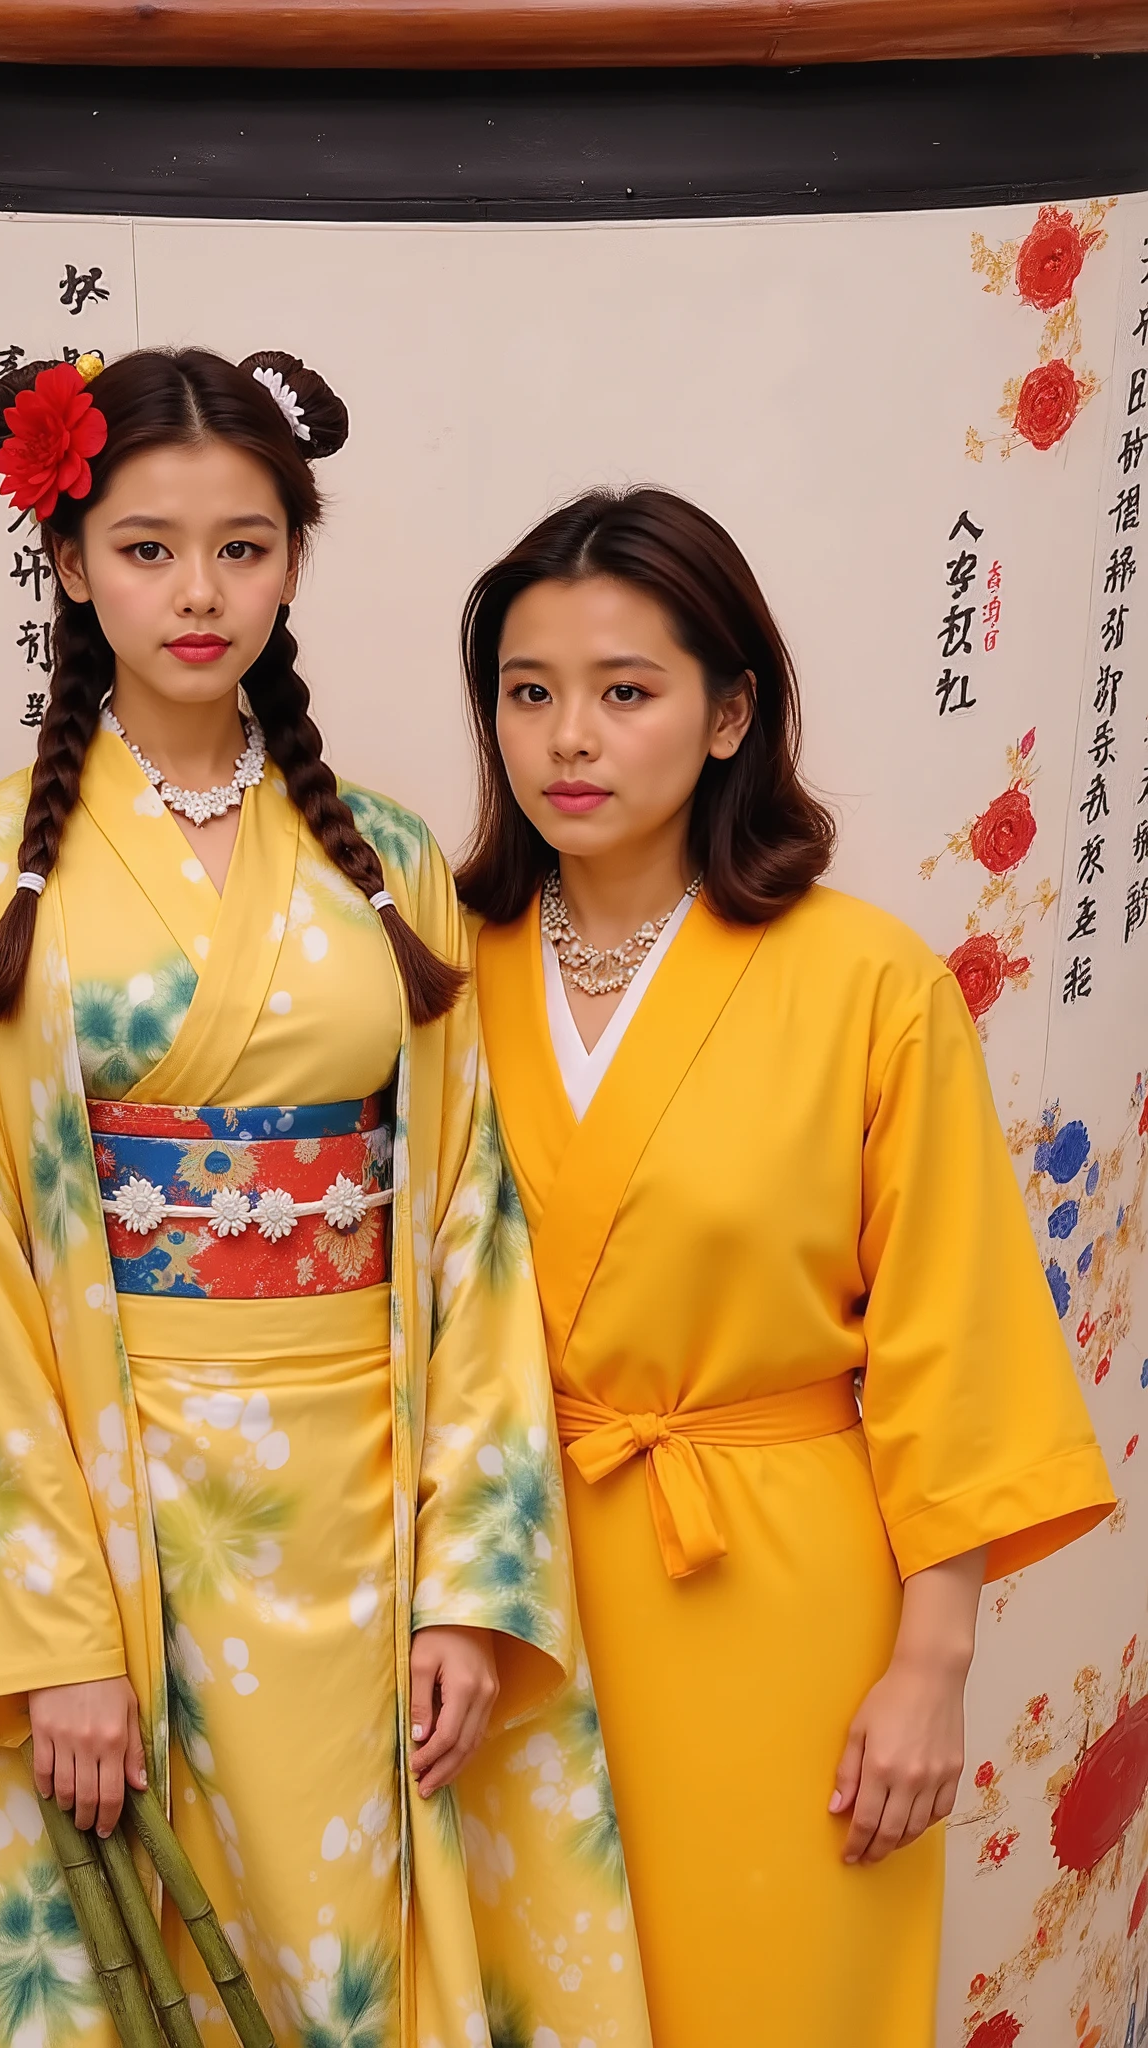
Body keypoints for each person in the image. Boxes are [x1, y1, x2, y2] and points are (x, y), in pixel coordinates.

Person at [0, 349, 651, 2048]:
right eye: (147, 549)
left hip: (359, 1518)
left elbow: (467, 1228)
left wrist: (470, 1581)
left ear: (292, 561)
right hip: (103, 1491)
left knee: (334, 1953)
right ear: (72, 566)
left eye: (243, 547)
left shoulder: (389, 860)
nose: (198, 593)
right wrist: (51, 1636)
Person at [459, 486, 1117, 2048]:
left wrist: (931, 1666)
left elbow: (957, 1338)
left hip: (782, 1613)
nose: (570, 739)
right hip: (502, 1608)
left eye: (626, 692)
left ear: (731, 712)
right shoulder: (433, 974)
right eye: (528, 693)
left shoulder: (867, 981)